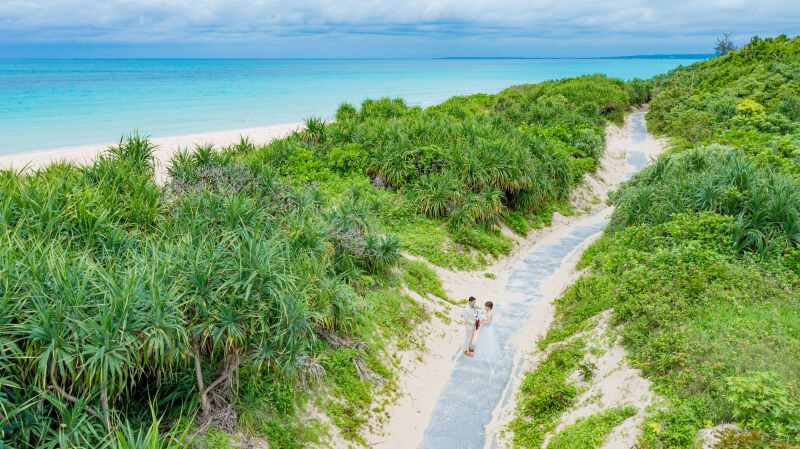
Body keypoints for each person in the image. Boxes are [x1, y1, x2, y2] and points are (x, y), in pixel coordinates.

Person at [472, 301, 498, 366]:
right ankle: (482, 353)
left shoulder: (490, 313)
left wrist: (481, 322)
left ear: (489, 307)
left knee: (487, 342)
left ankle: (487, 355)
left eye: (486, 306)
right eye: (485, 306)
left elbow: (488, 322)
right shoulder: (486, 312)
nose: (485, 307)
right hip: (484, 328)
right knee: (481, 341)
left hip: (487, 329)